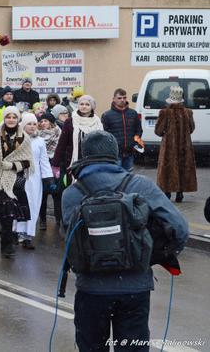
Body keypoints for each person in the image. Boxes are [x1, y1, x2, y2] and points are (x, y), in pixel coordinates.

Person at [61, 130, 188, 351]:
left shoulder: (72, 193)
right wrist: (153, 254)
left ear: (84, 155)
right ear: (116, 154)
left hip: (91, 289)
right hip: (135, 286)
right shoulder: (140, 185)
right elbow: (179, 229)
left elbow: (70, 240)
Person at [0, 106, 33, 258]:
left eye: (14, 117)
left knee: (12, 213)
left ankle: (8, 242)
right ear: (4, 119)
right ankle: (7, 242)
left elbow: (28, 162)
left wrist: (12, 165)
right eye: (8, 117)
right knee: (5, 213)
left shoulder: (24, 137)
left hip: (16, 178)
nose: (11, 120)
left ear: (18, 119)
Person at [155, 86, 197, 203]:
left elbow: (158, 131)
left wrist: (166, 134)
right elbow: (191, 128)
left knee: (168, 167)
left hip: (169, 148)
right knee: (183, 166)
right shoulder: (188, 112)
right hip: (185, 147)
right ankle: (180, 194)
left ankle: (167, 192)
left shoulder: (165, 112)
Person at [17, 113, 53, 249]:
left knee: (33, 204)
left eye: (34, 124)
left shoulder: (40, 141)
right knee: (20, 203)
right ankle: (18, 231)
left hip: (35, 178)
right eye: (29, 124)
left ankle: (28, 234)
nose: (32, 126)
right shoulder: (18, 139)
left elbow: (43, 160)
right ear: (23, 125)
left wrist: (48, 177)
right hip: (20, 175)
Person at [52, 95, 103, 179]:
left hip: (92, 162)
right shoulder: (70, 121)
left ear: (92, 107)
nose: (84, 106)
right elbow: (62, 144)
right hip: (73, 162)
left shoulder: (97, 122)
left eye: (87, 104)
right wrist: (55, 164)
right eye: (81, 104)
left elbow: (101, 143)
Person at [101, 88, 143, 171]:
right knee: (116, 178)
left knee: (128, 178)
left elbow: (138, 130)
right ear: (114, 99)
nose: (122, 100)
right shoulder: (107, 115)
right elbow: (105, 135)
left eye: (124, 98)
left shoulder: (133, 113)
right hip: (115, 154)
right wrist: (112, 147)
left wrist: (134, 143)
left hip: (130, 153)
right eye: (119, 98)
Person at [38, 113, 62, 230]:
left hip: (56, 166)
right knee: (42, 195)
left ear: (51, 122)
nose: (43, 123)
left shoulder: (59, 133)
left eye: (45, 121)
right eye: (41, 121)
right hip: (41, 167)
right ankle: (42, 220)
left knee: (57, 194)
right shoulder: (37, 135)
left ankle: (59, 220)